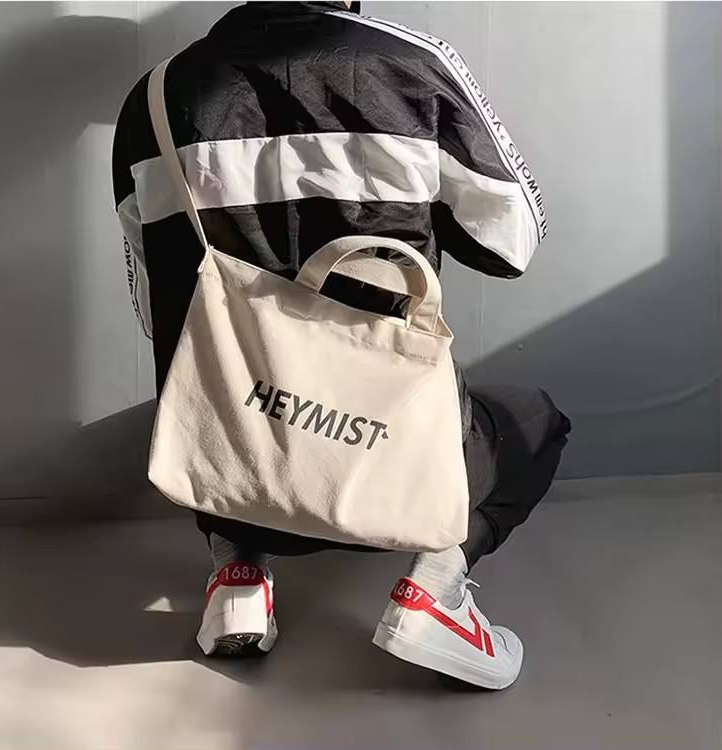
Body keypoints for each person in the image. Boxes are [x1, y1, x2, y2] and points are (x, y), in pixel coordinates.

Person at [112, 1, 570, 690]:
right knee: (535, 421)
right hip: (393, 480)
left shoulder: (151, 100)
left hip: (231, 477)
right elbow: (511, 245)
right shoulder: (414, 66)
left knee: (217, 385)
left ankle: (238, 574)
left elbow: (156, 306)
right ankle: (434, 592)